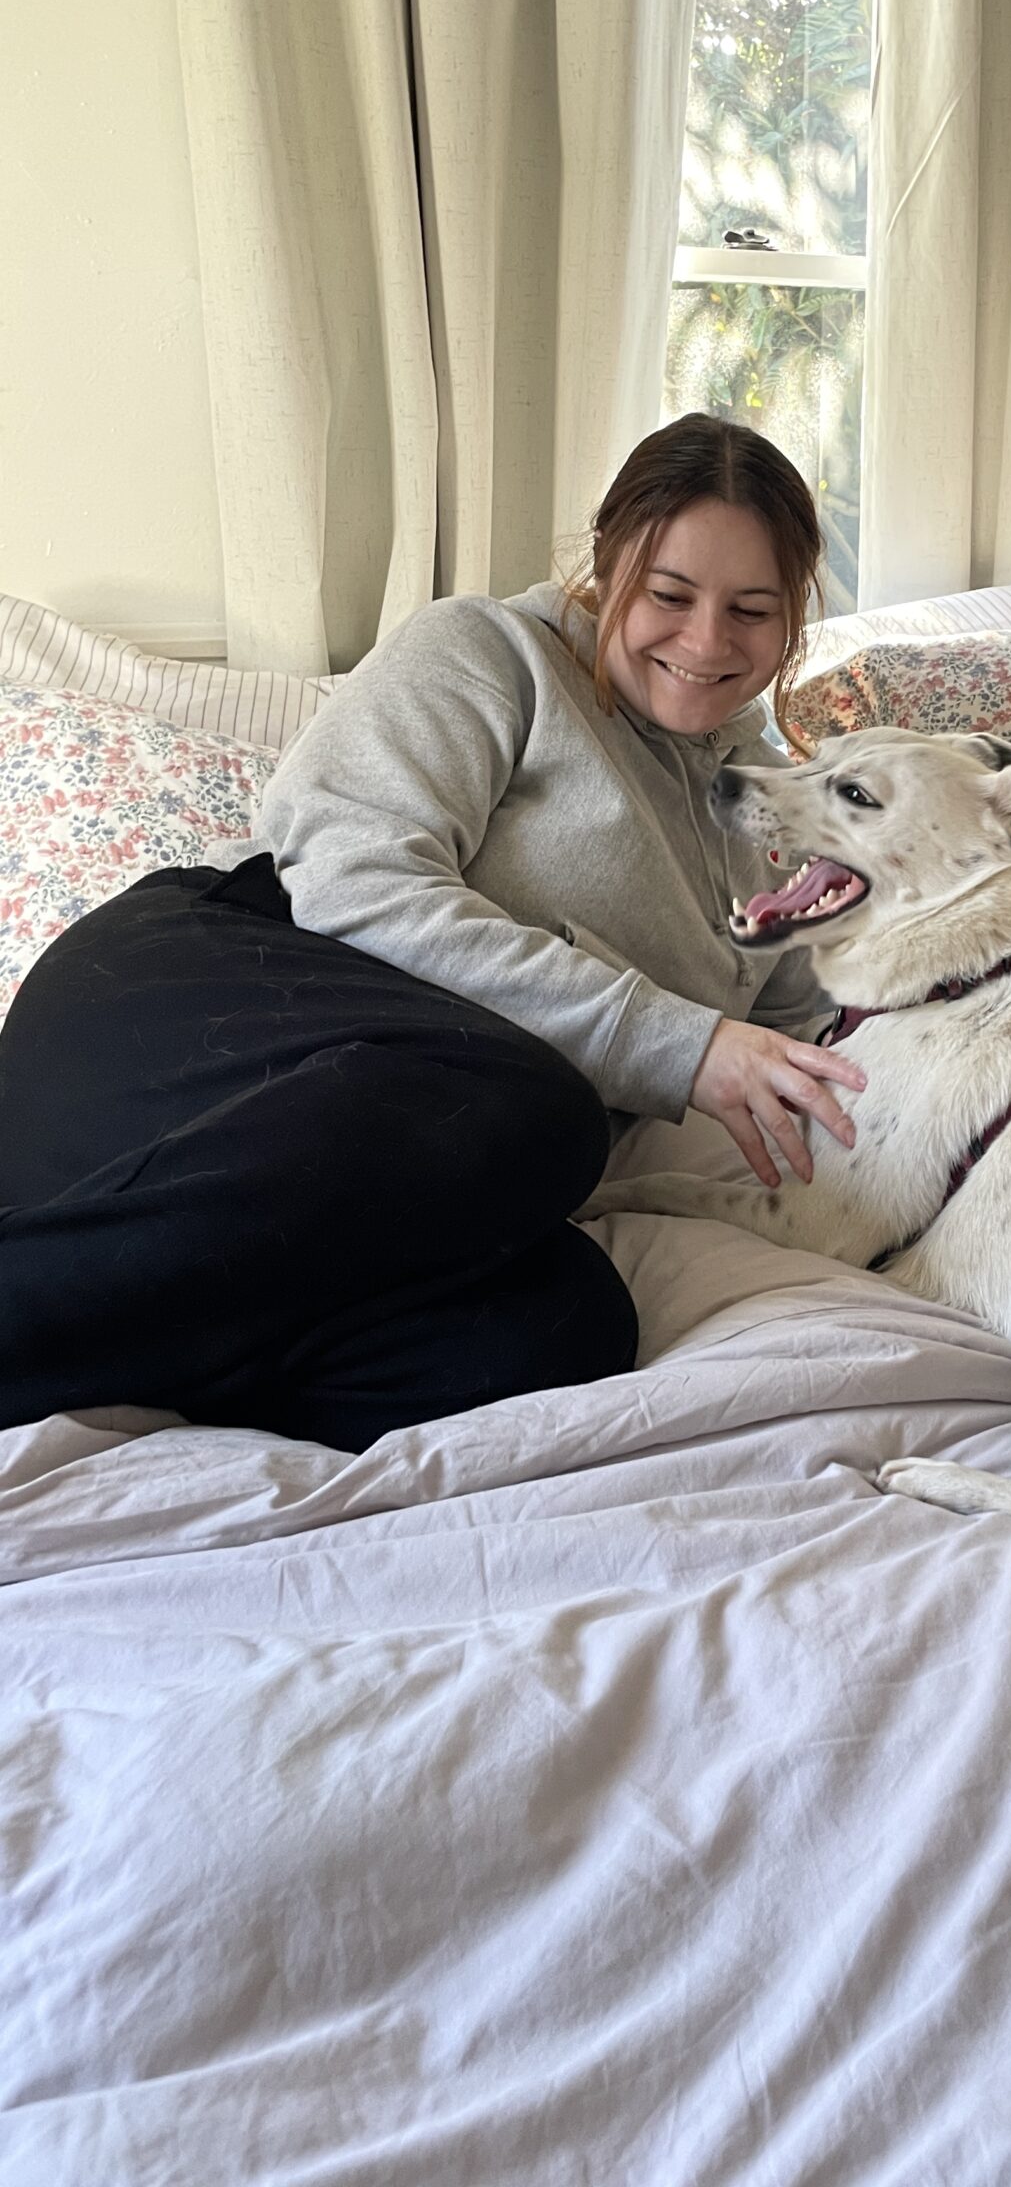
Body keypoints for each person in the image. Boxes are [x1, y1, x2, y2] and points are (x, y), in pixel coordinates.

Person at [0, 415, 865, 1452]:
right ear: (605, 568)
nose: (707, 641)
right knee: (538, 1104)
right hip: (198, 1001)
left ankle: (155, 1343)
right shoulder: (490, 651)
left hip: (387, 1159)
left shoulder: (763, 804)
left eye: (752, 611)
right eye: (669, 595)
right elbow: (352, 878)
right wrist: (679, 1044)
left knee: (563, 1326)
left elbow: (816, 1035)